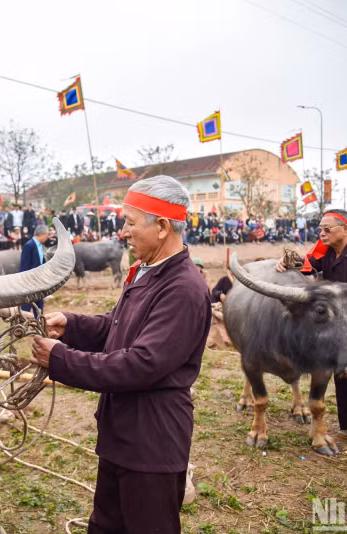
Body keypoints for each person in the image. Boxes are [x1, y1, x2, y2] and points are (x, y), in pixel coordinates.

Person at [30, 175, 211, 533]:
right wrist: (71, 325)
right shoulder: (147, 271)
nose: (123, 232)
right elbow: (116, 325)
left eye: (130, 222)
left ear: (162, 227)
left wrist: (61, 359)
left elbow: (141, 363)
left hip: (152, 442)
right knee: (105, 525)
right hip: (122, 434)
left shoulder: (183, 289)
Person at [275, 209, 347, 451]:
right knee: (343, 372)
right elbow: (309, 267)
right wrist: (288, 261)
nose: (322, 233)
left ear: (345, 229)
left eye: (327, 229)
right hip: (340, 323)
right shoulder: (327, 250)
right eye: (320, 229)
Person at [19, 224, 49, 313]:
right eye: (47, 235)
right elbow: (24, 266)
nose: (47, 238)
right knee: (26, 307)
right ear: (43, 234)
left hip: (39, 281)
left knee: (39, 306)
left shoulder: (40, 246)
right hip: (29, 282)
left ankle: (39, 321)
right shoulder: (29, 246)